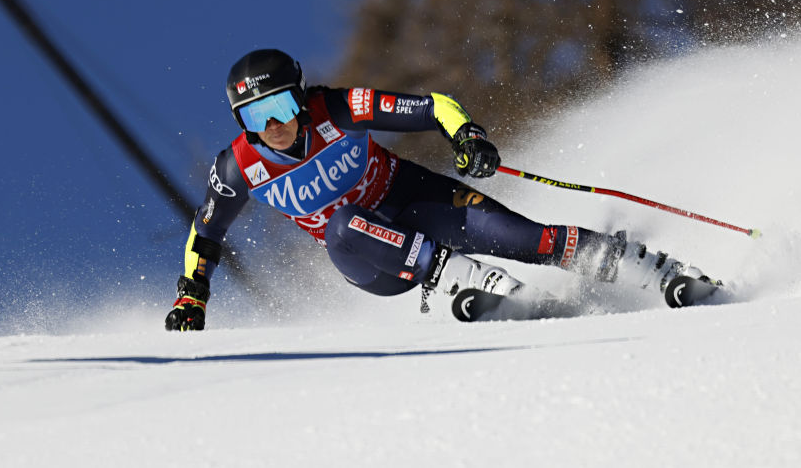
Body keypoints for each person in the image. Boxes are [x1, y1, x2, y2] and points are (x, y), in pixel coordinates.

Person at [165, 49, 703, 330]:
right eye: (255, 116)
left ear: (301, 98)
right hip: (370, 259)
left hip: (410, 197)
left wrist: (468, 136)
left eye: (281, 106)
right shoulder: (240, 167)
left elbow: (434, 105)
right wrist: (193, 295)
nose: (273, 125)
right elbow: (206, 232)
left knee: (527, 237)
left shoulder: (338, 108)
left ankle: (653, 271)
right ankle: (463, 279)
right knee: (341, 223)